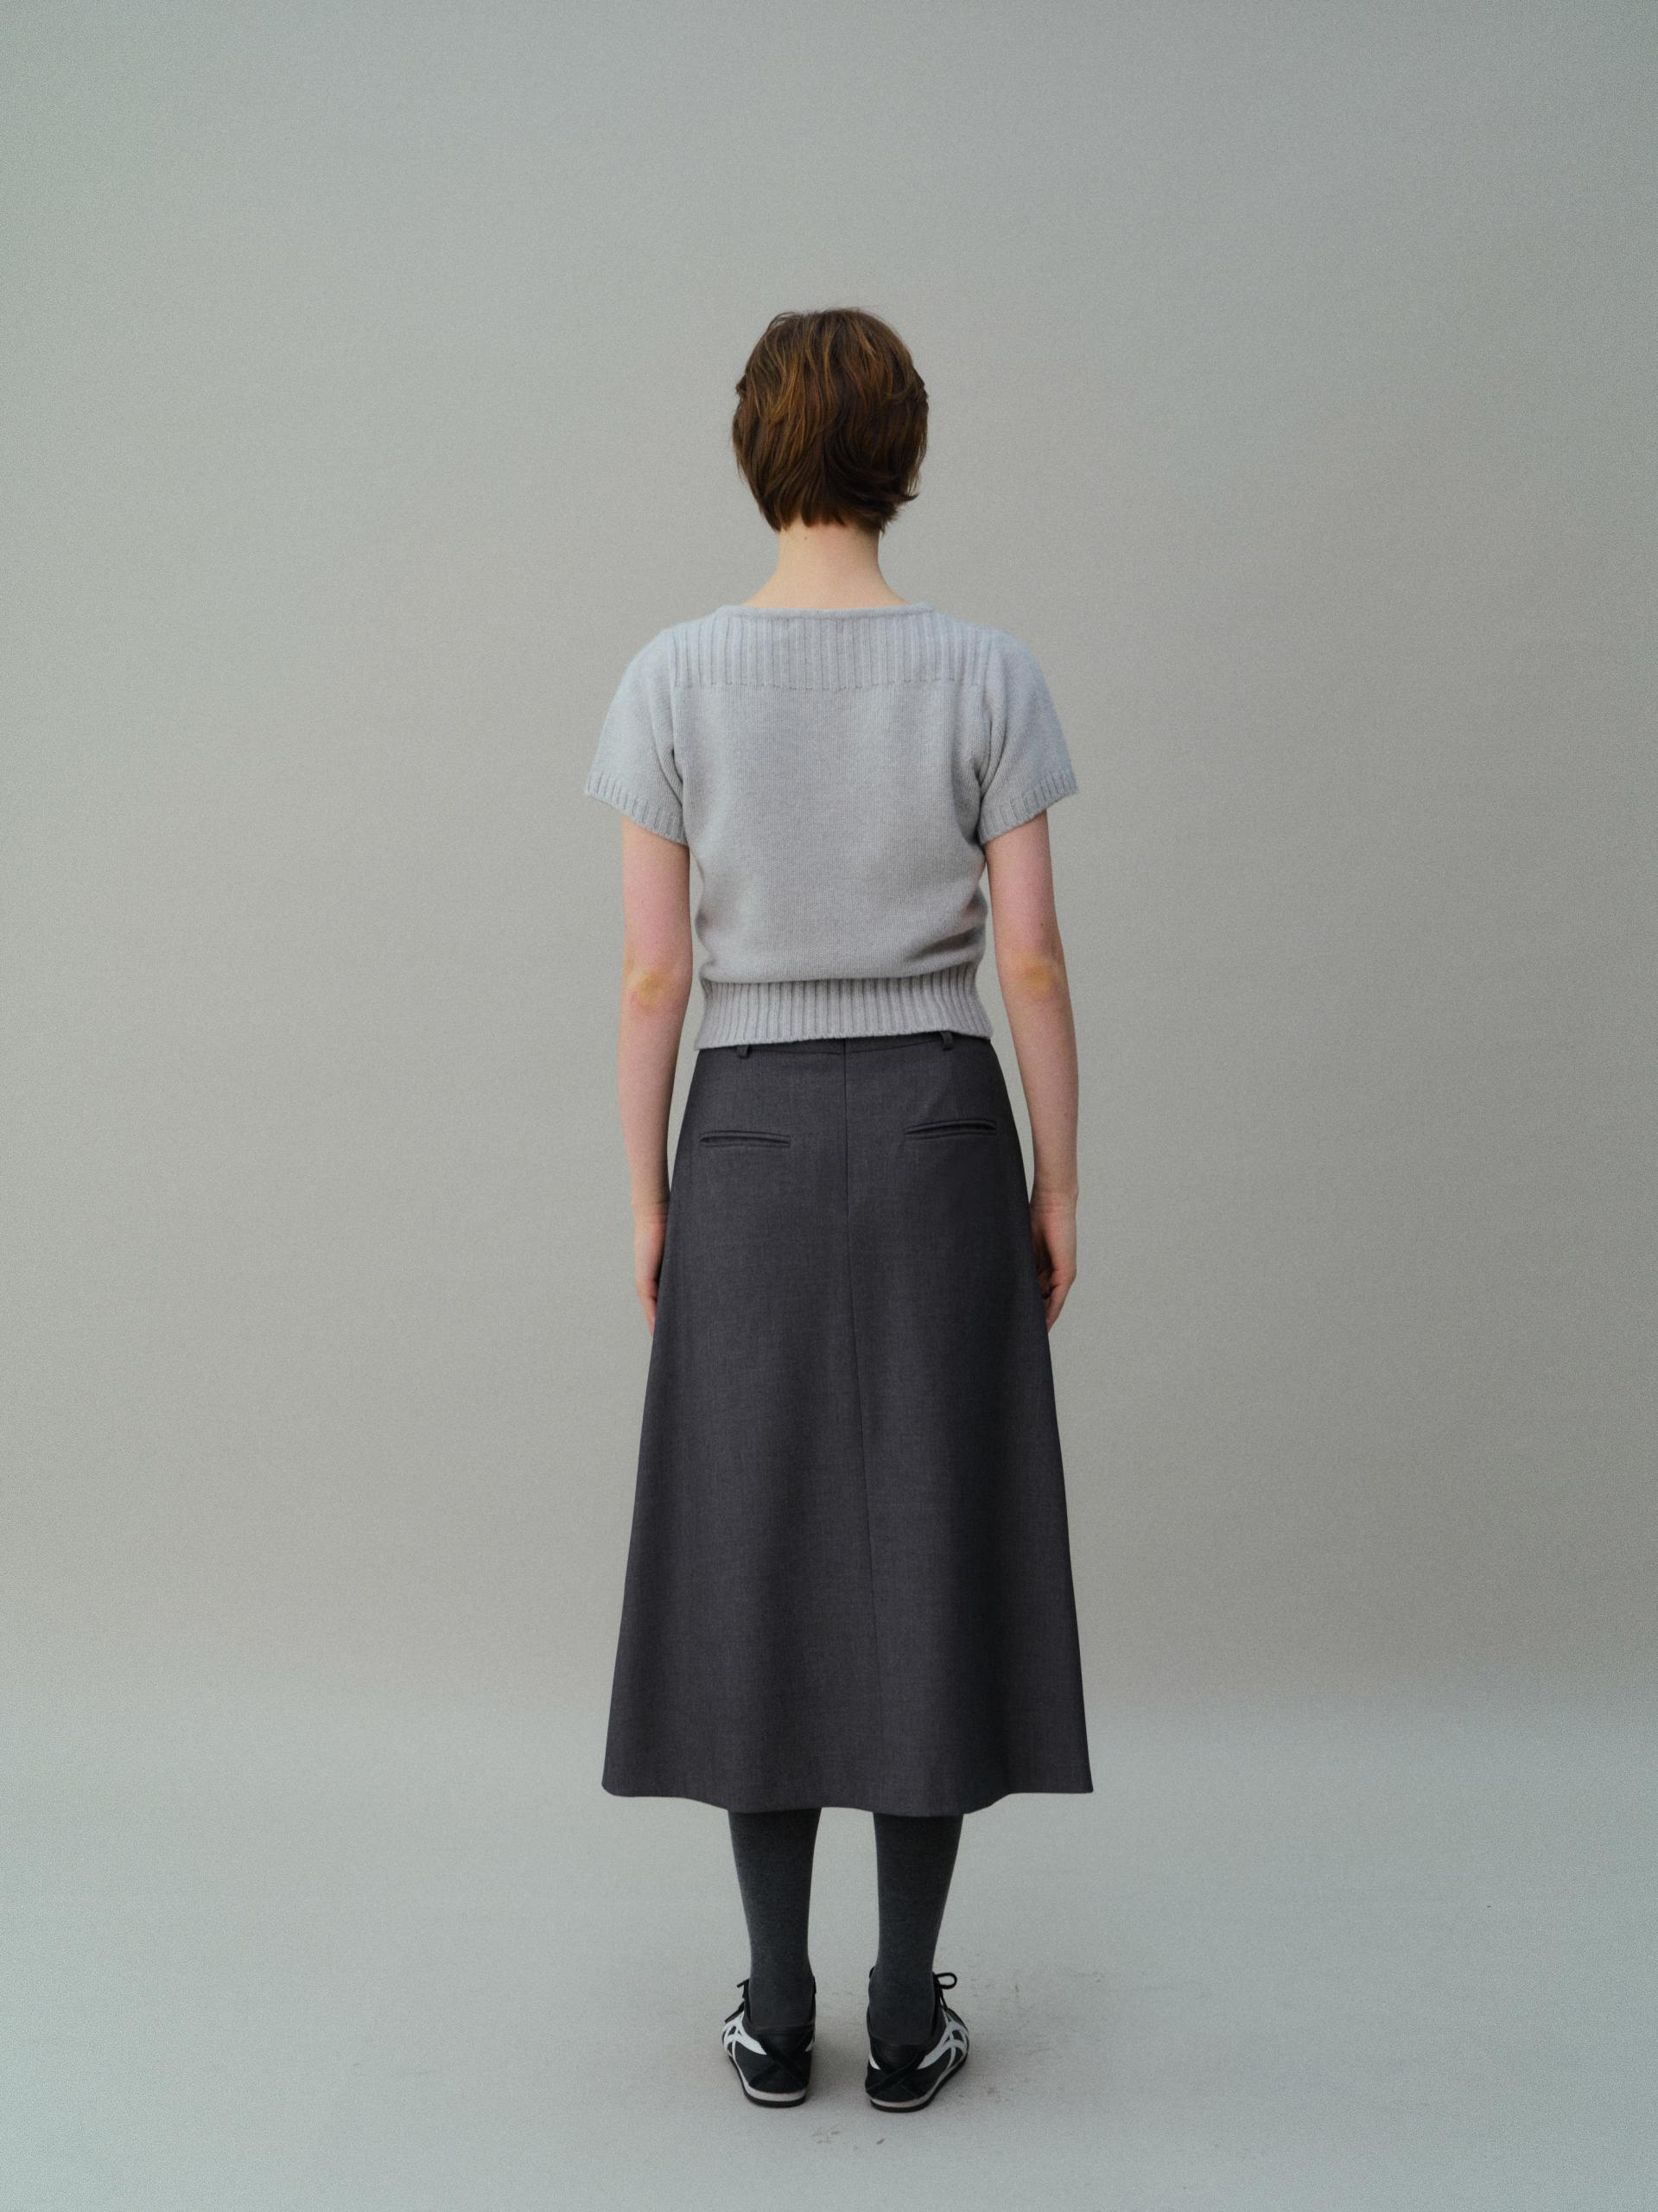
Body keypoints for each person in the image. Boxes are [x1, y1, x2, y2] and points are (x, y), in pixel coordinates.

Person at [582, 306, 1092, 2113]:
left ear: (756, 452)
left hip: (748, 1141)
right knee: (930, 1544)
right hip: (943, 1129)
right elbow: (1030, 956)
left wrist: (648, 1192)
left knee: (757, 1549)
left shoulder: (671, 678)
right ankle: (901, 2013)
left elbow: (655, 979)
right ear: (905, 451)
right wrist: (1057, 1178)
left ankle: (776, 2002)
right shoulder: (987, 673)